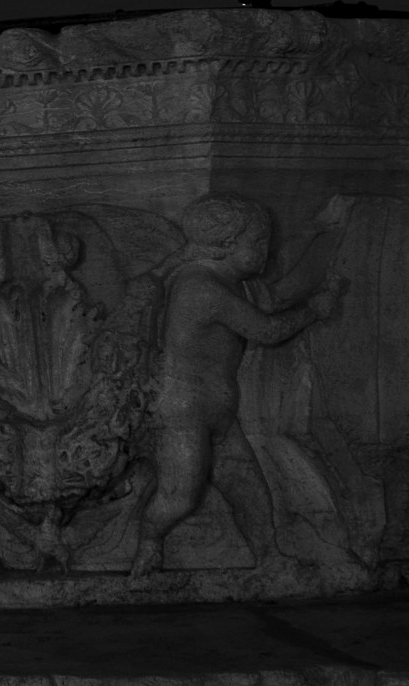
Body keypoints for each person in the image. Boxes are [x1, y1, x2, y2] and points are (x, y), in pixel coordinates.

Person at [131, 195, 345, 576]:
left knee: (249, 487)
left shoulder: (229, 280)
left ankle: (270, 557)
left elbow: (276, 296)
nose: (266, 251)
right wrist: (316, 309)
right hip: (182, 408)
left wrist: (315, 229)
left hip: (217, 407)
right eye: (258, 242)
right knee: (180, 496)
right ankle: (148, 543)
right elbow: (267, 329)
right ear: (226, 245)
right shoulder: (201, 287)